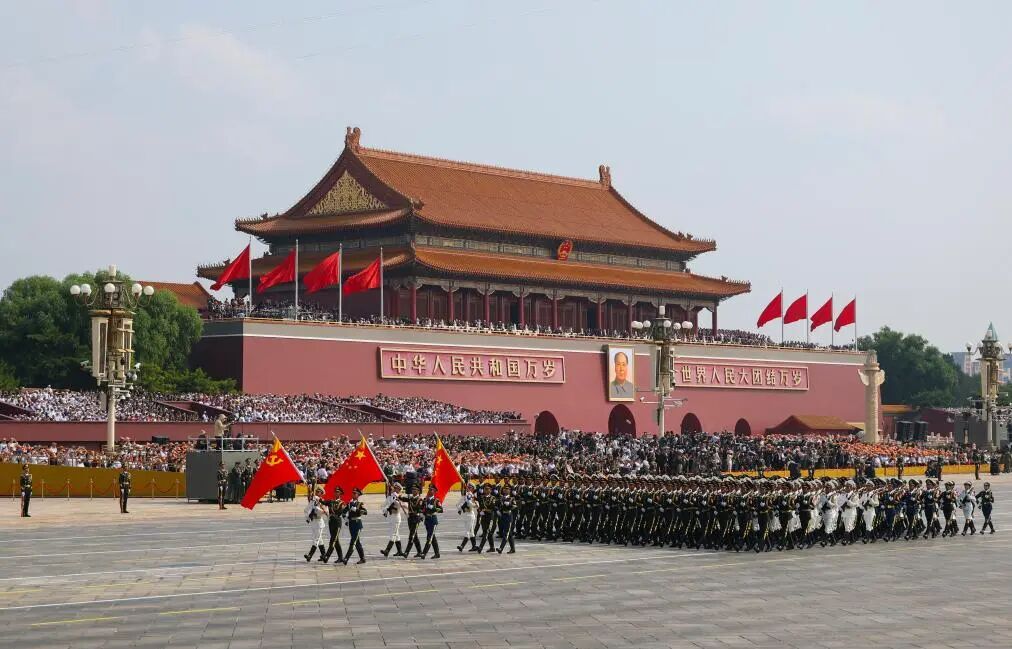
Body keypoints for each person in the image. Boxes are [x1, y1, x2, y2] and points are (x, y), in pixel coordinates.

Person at [343, 487, 368, 564]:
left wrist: (356, 510)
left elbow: (365, 512)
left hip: (357, 524)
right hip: (351, 524)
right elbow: (343, 512)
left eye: (355, 493)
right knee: (357, 542)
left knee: (353, 541)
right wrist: (346, 519)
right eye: (353, 493)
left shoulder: (360, 504)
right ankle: (362, 558)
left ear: (358, 495)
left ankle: (346, 558)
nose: (353, 494)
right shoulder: (349, 504)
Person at [380, 483, 406, 557]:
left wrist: (398, 502)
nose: (394, 489)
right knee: (396, 535)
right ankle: (400, 551)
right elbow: (382, 506)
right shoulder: (389, 497)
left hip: (396, 518)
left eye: (396, 488)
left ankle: (387, 550)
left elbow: (403, 505)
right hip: (390, 517)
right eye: (394, 488)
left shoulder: (399, 497)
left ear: (399, 490)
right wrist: (385, 510)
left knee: (393, 534)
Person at [303, 487, 328, 562]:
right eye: (316, 491)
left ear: (321, 493)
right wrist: (308, 517)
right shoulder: (313, 501)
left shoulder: (323, 502)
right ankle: (324, 555)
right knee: (319, 540)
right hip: (313, 522)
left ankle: (310, 555)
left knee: (316, 539)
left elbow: (326, 511)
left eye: (318, 492)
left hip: (319, 522)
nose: (317, 493)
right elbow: (306, 509)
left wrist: (317, 510)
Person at [419, 484, 444, 559]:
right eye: (429, 489)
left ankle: (424, 553)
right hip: (427, 520)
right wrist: (421, 515)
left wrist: (434, 508)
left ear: (435, 491)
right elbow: (421, 509)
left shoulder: (436, 500)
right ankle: (437, 553)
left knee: (429, 537)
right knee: (432, 537)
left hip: (433, 520)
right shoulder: (425, 500)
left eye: (431, 490)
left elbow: (441, 510)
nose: (430, 491)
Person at [322, 486, 346, 562]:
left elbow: (339, 512)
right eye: (335, 492)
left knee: (333, 540)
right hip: (331, 522)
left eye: (337, 492)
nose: (336, 493)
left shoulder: (342, 503)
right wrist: (315, 497)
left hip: (337, 523)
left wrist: (333, 513)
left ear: (340, 493)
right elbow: (322, 502)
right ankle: (340, 557)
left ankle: (327, 556)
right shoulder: (331, 501)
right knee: (336, 541)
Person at [456, 482, 479, 552]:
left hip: (470, 515)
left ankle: (462, 546)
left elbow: (470, 504)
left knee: (467, 531)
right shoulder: (467, 495)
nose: (468, 488)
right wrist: (462, 508)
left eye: (470, 487)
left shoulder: (470, 495)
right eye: (468, 487)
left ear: (473, 489)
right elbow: (457, 504)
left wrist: (475, 505)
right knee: (471, 531)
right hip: (467, 515)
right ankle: (474, 546)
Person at [497, 484, 517, 554]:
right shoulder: (501, 498)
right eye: (505, 489)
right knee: (509, 533)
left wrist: (509, 505)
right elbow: (497, 505)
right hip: (502, 516)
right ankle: (513, 549)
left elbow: (515, 506)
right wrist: (498, 510)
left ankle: (501, 548)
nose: (506, 490)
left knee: (506, 533)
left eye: (507, 489)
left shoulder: (512, 498)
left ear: (510, 491)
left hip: (508, 516)